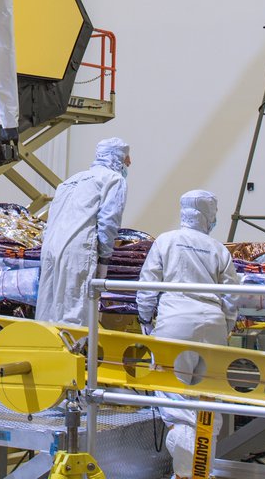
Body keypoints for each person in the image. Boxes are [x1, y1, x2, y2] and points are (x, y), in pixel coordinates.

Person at [137, 191, 241, 477]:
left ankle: (186, 474)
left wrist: (145, 320)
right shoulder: (219, 249)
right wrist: (225, 328)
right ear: (209, 215)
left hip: (175, 323)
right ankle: (200, 472)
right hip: (213, 326)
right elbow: (232, 298)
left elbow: (148, 287)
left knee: (176, 403)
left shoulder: (166, 241)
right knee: (207, 403)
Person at [35, 137, 130, 325]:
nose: (129, 162)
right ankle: (73, 352)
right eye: (127, 157)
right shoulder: (113, 179)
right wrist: (104, 260)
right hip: (78, 251)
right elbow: (109, 221)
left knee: (48, 307)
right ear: (118, 158)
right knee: (74, 310)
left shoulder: (70, 181)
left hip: (49, 248)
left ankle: (44, 349)